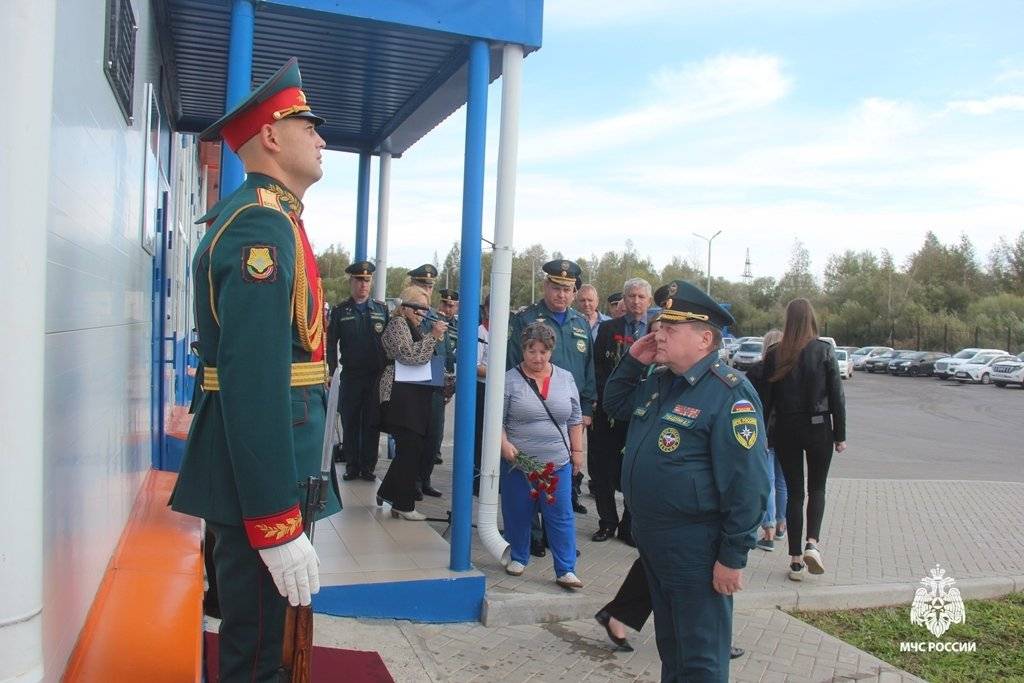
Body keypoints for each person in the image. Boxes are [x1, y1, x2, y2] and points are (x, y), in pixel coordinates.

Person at [170, 58, 341, 681]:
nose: (322, 138)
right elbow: (253, 383)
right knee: (260, 653)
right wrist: (275, 519)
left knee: (266, 640)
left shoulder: (271, 219)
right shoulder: (260, 230)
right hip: (263, 478)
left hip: (275, 465)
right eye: (309, 124)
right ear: (271, 134)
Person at [604, 279, 769, 681]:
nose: (657, 333)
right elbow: (614, 404)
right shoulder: (661, 381)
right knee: (672, 651)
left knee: (701, 660)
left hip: (696, 549)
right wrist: (632, 361)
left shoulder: (729, 394)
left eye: (670, 329)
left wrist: (732, 557)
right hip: (656, 543)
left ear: (704, 338)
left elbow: (748, 485)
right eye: (659, 325)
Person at [507, 260, 596, 551]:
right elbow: (511, 365)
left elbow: (587, 369)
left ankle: (559, 539)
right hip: (528, 410)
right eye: (556, 287)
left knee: (564, 477)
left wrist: (586, 409)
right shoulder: (526, 318)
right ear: (546, 286)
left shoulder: (580, 323)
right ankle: (531, 537)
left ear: (574, 292)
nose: (561, 294)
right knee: (528, 480)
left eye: (567, 289)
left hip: (566, 415)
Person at [761, 299, 847, 580]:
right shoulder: (824, 350)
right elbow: (837, 396)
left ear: (788, 321)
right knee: (818, 489)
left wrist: (764, 434)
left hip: (786, 429)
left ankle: (796, 560)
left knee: (795, 492)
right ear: (811, 319)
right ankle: (813, 544)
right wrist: (840, 435)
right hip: (819, 427)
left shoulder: (775, 352)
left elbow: (767, 401)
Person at [500, 323, 585, 587]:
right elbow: (496, 419)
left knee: (560, 515)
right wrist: (503, 444)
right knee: (518, 512)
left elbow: (574, 418)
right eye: (531, 351)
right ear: (522, 350)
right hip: (519, 464)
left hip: (556, 462)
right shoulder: (509, 379)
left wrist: (578, 452)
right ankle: (518, 556)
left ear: (552, 351)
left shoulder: (566, 378)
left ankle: (565, 569)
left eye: (543, 351)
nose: (538, 357)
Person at [376, 287, 449, 520]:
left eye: (426, 310)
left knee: (411, 447)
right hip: (399, 396)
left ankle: (388, 492)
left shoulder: (412, 325)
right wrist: (433, 336)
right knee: (410, 447)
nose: (421, 314)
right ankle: (403, 504)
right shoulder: (398, 324)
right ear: (405, 307)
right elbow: (409, 355)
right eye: (418, 309)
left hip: (412, 396)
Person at [590, 277, 653, 545]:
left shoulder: (656, 330)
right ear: (623, 301)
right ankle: (607, 522)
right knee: (603, 469)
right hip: (608, 410)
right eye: (631, 296)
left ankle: (629, 525)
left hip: (642, 413)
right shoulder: (608, 329)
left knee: (634, 471)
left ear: (649, 301)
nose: (636, 301)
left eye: (641, 297)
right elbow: (595, 368)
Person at [327, 260, 389, 481]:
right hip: (352, 376)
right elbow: (331, 345)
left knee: (372, 422)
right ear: (351, 282)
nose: (363, 285)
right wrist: (332, 372)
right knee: (350, 421)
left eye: (367, 280)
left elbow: (390, 344)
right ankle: (352, 466)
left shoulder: (381, 310)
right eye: (359, 280)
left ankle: (368, 467)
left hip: (375, 377)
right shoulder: (340, 311)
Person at [745, 328, 788, 552]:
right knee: (782, 481)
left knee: (768, 481)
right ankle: (782, 525)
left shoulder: (757, 371)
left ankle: (768, 530)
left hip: (764, 432)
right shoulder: (790, 371)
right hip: (786, 432)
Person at [417, 288, 458, 496]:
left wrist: (451, 379)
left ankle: (425, 479)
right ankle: (413, 482)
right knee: (419, 438)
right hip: (420, 387)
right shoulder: (422, 323)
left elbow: (449, 356)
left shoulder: (444, 326)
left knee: (434, 438)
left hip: (438, 387)